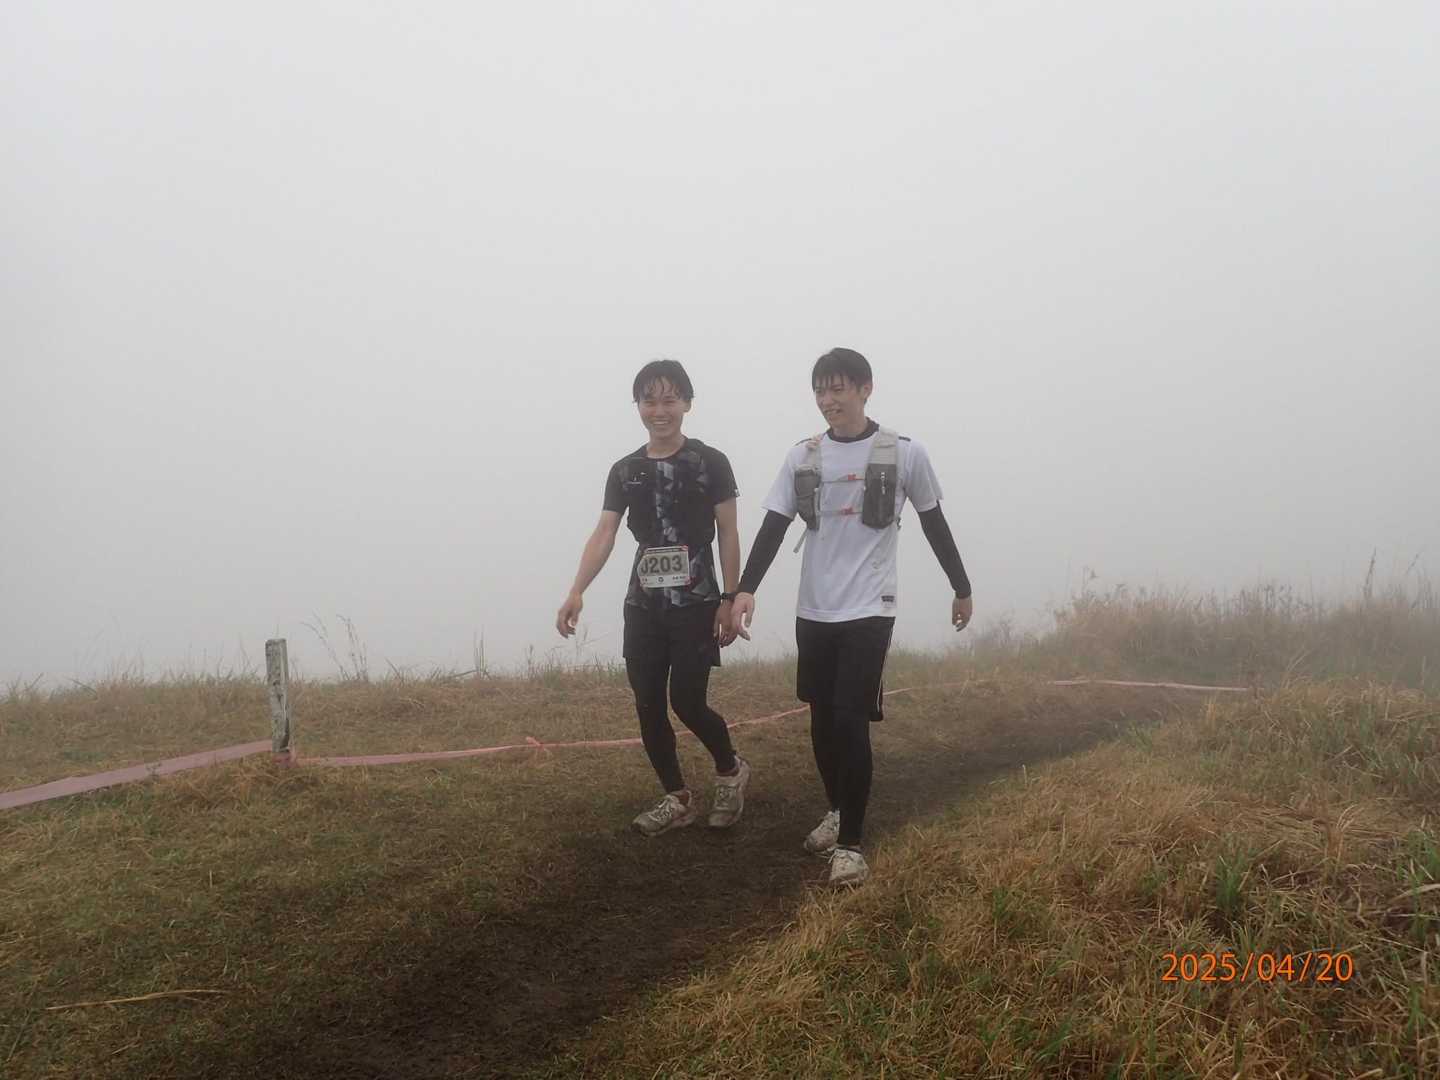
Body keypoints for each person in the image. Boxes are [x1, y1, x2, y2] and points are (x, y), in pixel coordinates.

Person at [729, 347, 972, 885]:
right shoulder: (803, 456)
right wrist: (745, 589)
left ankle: (852, 846)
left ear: (865, 389)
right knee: (820, 719)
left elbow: (934, 522)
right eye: (820, 390)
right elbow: (773, 526)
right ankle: (838, 809)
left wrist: (961, 587)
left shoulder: (904, 453)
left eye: (838, 388)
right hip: (815, 607)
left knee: (849, 719)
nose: (827, 400)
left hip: (870, 607)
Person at [557, 359, 752, 837]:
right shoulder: (626, 470)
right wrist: (577, 589)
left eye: (669, 400)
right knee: (647, 702)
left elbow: (728, 532)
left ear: (687, 404)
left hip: (696, 602)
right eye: (649, 401)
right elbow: (605, 532)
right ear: (638, 406)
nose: (659, 410)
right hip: (643, 605)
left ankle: (730, 770)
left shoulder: (710, 462)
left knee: (687, 701)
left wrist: (729, 597)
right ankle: (677, 797)